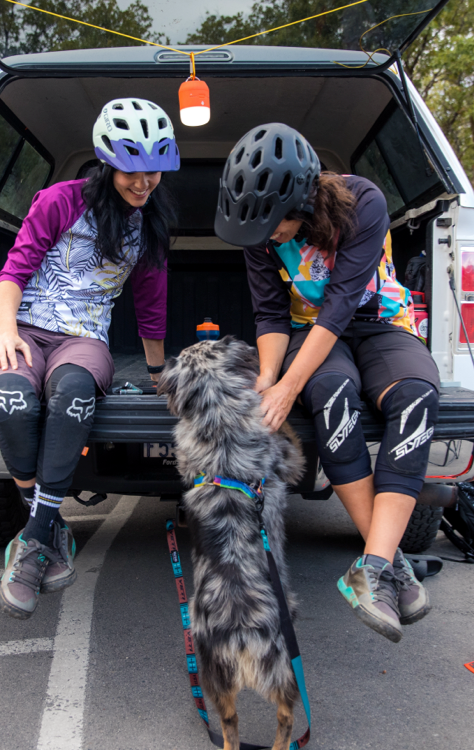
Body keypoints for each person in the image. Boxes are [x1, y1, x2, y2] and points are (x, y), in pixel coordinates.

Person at [214, 122, 440, 643]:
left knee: (415, 397)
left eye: (274, 226)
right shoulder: (260, 235)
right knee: (334, 395)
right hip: (308, 333)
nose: (268, 239)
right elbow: (270, 315)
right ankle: (389, 566)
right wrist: (269, 380)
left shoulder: (364, 202)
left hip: (378, 322)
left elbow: (339, 309)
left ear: (301, 203)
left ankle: (372, 566)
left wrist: (290, 386)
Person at [0, 97, 179, 619]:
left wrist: (158, 373)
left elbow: (149, 306)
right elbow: (14, 270)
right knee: (11, 402)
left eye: (154, 170)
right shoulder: (60, 201)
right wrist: (4, 330)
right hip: (21, 328)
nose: (144, 182)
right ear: (109, 160)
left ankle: (33, 541)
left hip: (84, 339)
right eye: (133, 170)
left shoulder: (150, 224)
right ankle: (48, 526)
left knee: (70, 397)